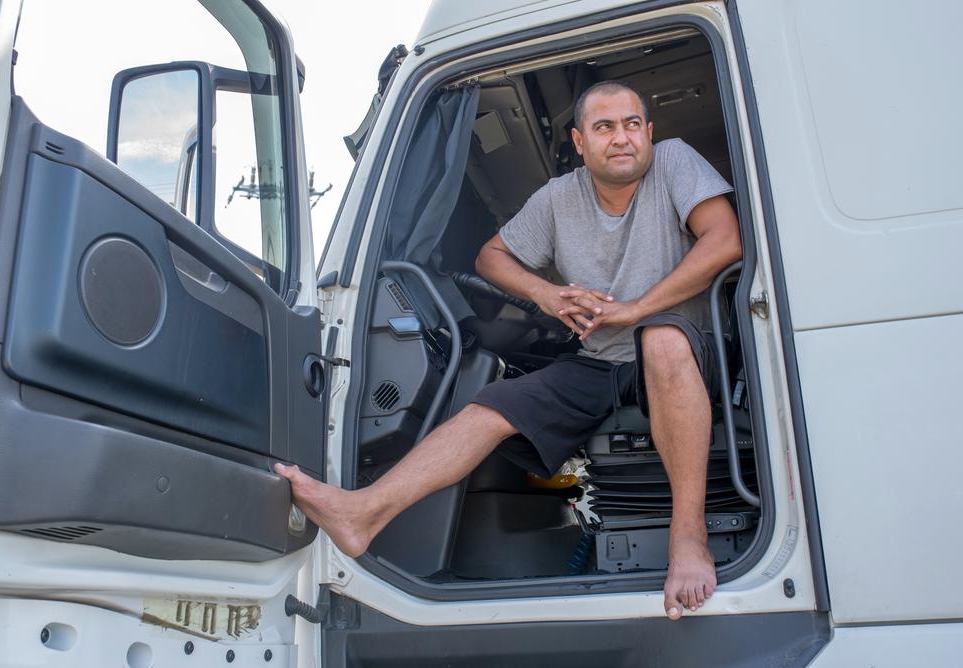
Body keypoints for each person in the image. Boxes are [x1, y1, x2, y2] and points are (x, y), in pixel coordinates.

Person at [276, 80, 742, 621]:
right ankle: (363, 514)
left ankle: (689, 538)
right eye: (605, 127)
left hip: (684, 349)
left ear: (649, 132)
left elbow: (724, 239)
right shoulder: (558, 197)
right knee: (495, 403)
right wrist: (546, 293)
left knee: (661, 338)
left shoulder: (675, 162)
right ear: (580, 142)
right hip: (600, 360)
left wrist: (638, 309)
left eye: (632, 124)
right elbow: (490, 258)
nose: (622, 138)